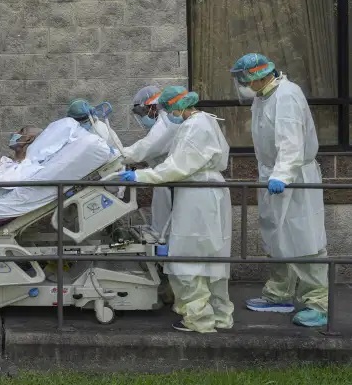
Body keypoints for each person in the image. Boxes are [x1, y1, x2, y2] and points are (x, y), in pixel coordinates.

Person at [119, 86, 233, 333]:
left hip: (197, 195)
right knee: (212, 255)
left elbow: (176, 167)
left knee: (188, 255)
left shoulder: (193, 127)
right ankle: (220, 315)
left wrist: (140, 176)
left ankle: (199, 319)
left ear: (177, 107)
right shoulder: (205, 120)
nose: (167, 115)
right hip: (208, 192)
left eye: (168, 109)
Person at [231, 53, 328, 328]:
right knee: (277, 238)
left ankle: (318, 303)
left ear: (259, 75)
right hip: (274, 175)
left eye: (244, 79)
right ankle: (279, 294)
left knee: (305, 240)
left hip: (293, 176)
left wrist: (282, 175)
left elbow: (291, 142)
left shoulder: (286, 95)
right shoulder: (264, 97)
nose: (242, 85)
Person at [122, 85, 180, 305]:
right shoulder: (163, 124)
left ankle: (176, 289)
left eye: (142, 112)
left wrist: (117, 155)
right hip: (165, 184)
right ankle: (170, 287)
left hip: (173, 186)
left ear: (153, 107)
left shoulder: (166, 125)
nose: (142, 118)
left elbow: (144, 149)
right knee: (163, 233)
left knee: (170, 235)